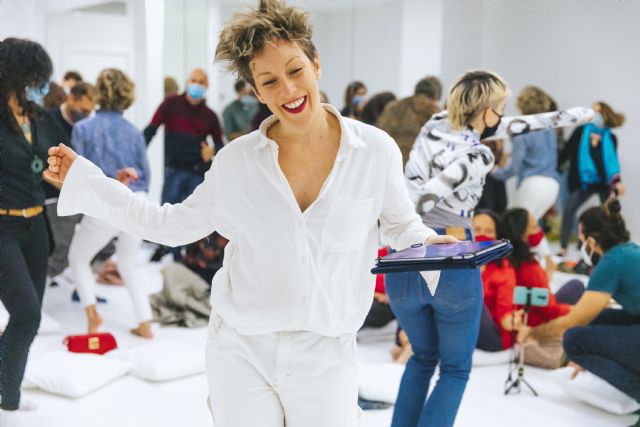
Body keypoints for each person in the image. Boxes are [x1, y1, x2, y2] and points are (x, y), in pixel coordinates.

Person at [45, 1, 455, 425]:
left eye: (295, 70)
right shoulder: (237, 162)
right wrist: (88, 184)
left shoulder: (374, 151)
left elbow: (401, 224)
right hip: (242, 350)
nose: (288, 90)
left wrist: (430, 244)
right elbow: (169, 225)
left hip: (327, 353)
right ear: (257, 91)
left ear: (316, 64)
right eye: (270, 81)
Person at [389, 70, 593, 427]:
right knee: (455, 369)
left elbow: (521, 125)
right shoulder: (479, 154)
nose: (503, 117)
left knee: (421, 358)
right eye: (499, 109)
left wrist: (574, 116)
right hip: (449, 257)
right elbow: (429, 195)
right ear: (486, 111)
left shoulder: (435, 125)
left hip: (402, 259)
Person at [520, 199, 640, 415]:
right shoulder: (629, 251)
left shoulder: (610, 263)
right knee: (596, 319)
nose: (581, 247)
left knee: (573, 340)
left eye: (582, 241)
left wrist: (534, 333)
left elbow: (574, 321)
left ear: (592, 242)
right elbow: (587, 315)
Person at [0, 37, 66, 413]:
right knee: (26, 314)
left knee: (29, 316)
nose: (39, 84)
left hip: (36, 225)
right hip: (3, 228)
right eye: (35, 76)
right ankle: (9, 397)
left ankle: (6, 383)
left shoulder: (38, 117)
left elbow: (52, 168)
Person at [67, 68, 153, 338]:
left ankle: (92, 316)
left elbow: (79, 176)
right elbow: (145, 176)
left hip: (104, 204)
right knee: (128, 263)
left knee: (78, 258)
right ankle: (145, 323)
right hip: (136, 201)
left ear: (98, 93)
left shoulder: (83, 129)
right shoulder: (134, 132)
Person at [475, 209, 584, 352]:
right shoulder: (523, 264)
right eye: (534, 227)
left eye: (489, 231)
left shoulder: (506, 268)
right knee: (576, 287)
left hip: (502, 332)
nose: (482, 235)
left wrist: (581, 312)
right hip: (528, 316)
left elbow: (509, 310)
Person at [143, 68, 224, 261]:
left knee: (192, 216)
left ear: (207, 86)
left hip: (198, 172)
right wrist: (135, 155)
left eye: (201, 82)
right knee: (167, 212)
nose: (197, 84)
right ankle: (167, 250)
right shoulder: (170, 104)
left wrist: (212, 151)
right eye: (193, 80)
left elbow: (220, 146)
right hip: (174, 170)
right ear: (187, 82)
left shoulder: (210, 116)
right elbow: (150, 130)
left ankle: (184, 258)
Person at [557, 101, 625, 257]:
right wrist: (554, 168)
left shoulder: (610, 138)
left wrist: (596, 147)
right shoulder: (581, 132)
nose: (594, 115)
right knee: (569, 209)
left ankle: (611, 247)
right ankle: (563, 247)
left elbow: (611, 164)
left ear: (605, 115)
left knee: (609, 215)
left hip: (603, 183)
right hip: (584, 182)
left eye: (598, 112)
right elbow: (567, 151)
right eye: (592, 111)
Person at [45, 82, 97, 282]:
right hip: (54, 194)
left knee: (92, 245)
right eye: (82, 110)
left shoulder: (87, 126)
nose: (85, 115)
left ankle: (79, 284)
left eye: (89, 112)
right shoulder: (48, 121)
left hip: (81, 191)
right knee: (62, 248)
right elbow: (42, 165)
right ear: (70, 98)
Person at [492, 86, 560, 220]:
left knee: (515, 224)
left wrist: (494, 171)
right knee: (531, 226)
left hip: (533, 184)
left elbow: (514, 168)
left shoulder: (522, 130)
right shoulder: (549, 129)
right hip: (552, 184)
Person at [377, 75, 442, 167]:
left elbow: (380, 134)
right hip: (418, 167)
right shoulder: (435, 113)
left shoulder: (394, 107)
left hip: (389, 162)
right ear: (436, 97)